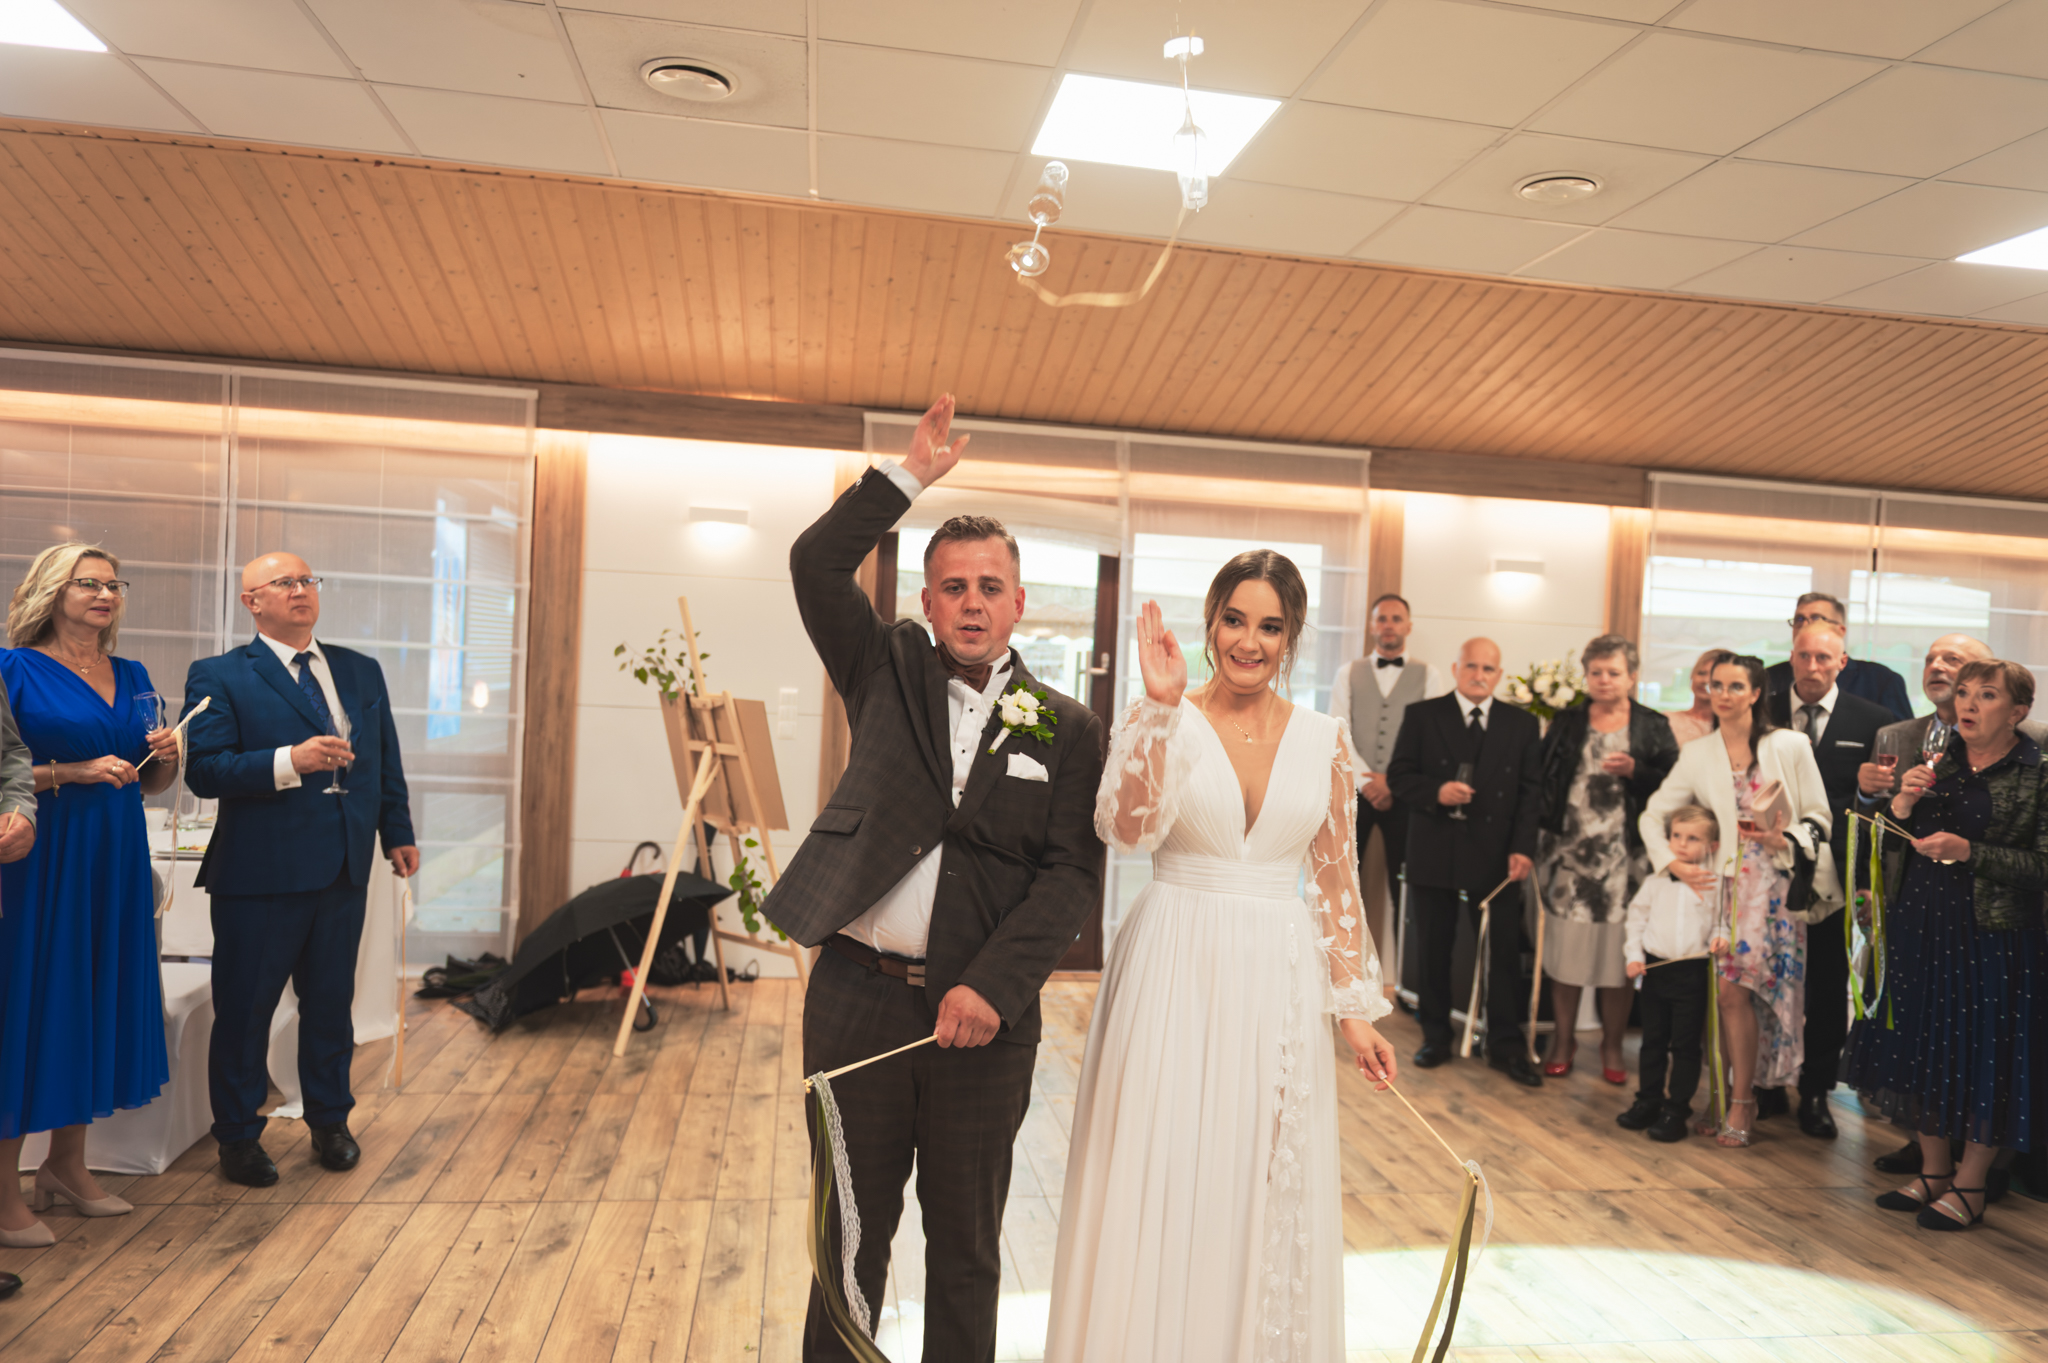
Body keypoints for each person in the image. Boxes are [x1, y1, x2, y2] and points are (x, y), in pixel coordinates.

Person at [772, 395, 1106, 1363]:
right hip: (856, 1002)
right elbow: (814, 563)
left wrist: (991, 987)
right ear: (926, 603)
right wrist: (906, 478)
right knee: (846, 1242)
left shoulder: (1069, 726)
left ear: (1019, 602)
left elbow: (1070, 875)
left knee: (965, 1250)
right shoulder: (881, 667)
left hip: (984, 1025)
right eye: (953, 585)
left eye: (989, 585)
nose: (971, 601)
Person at [1048, 558, 1396, 1363]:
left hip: (1278, 975)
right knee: (1161, 1161)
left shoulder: (1324, 740)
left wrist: (1355, 1013)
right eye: (1235, 619)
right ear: (1211, 622)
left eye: (1270, 626)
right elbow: (1124, 831)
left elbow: (1336, 881)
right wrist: (1161, 711)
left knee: (1257, 1174)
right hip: (1172, 960)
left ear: (1291, 636)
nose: (1249, 641)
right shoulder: (1161, 713)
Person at [181, 553, 418, 1189]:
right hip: (260, 874)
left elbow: (383, 759)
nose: (300, 590)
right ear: (251, 601)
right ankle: (237, 1136)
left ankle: (330, 1121)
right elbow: (203, 771)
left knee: (331, 1007)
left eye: (308, 580)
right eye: (284, 583)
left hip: (343, 867)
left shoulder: (359, 669)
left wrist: (396, 831)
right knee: (245, 1012)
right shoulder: (220, 674)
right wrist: (291, 759)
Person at [0, 545, 178, 1247]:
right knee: (32, 1004)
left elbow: (147, 779)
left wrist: (167, 757)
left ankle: (66, 1166)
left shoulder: (132, 675)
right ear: (52, 591)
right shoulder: (12, 668)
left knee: (92, 996)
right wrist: (71, 771)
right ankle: (4, 1189)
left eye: (113, 584)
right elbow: (5, 769)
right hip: (41, 855)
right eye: (89, 583)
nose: (106, 594)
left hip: (115, 854)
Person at [1845, 659, 2048, 1231]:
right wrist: (1900, 807)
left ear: (2018, 711)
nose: (1969, 704)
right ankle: (1933, 1171)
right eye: (1964, 693)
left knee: (1986, 1057)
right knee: (1922, 1046)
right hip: (1921, 923)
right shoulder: (1937, 760)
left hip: (1995, 935)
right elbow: (1890, 841)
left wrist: (1970, 853)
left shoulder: (2037, 771)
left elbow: (2042, 865)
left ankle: (1971, 1183)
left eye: (1987, 694)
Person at [1642, 652, 1830, 1147]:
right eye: (1715, 685)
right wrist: (1672, 863)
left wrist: (1785, 838)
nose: (1722, 694)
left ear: (1756, 693)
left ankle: (1743, 1099)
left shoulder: (1788, 744)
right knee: (1727, 996)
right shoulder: (1698, 753)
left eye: (1734, 686)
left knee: (1756, 998)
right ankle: (1731, 1097)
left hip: (1776, 890)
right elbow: (1652, 814)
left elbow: (1819, 817)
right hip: (1723, 890)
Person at [1387, 637, 1545, 1085]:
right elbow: (1398, 775)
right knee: (1433, 949)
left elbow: (1531, 792)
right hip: (1434, 850)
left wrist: (1523, 848)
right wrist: (1436, 791)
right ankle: (1435, 1036)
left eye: (1488, 669)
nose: (1479, 675)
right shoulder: (1423, 715)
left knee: (1502, 953)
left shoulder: (1521, 723)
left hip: (1497, 856)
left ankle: (1506, 1045)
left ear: (1499, 675)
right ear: (1456, 669)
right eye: (1471, 666)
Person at [1764, 622, 1892, 1140]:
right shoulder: (1764, 710)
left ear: (1843, 662)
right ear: (1791, 658)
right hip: (1768, 869)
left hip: (1836, 875)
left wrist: (1864, 882)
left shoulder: (1873, 720)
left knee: (1825, 985)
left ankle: (1816, 1091)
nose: (1812, 666)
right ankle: (1767, 1082)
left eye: (1824, 657)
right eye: (1803, 656)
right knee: (1769, 980)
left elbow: (1877, 809)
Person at [1534, 635, 1678, 1082]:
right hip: (1569, 855)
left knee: (1619, 958)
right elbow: (1543, 777)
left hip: (1626, 857)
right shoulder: (1567, 721)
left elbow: (1675, 783)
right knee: (1567, 954)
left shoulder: (1652, 724)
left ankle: (1612, 1045)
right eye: (1595, 672)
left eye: (1613, 672)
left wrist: (1637, 771)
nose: (1603, 680)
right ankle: (1563, 1040)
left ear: (1632, 676)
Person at [1328, 593, 1449, 914]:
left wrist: (1393, 782)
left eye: (1396, 619)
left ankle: (1404, 946)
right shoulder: (1347, 673)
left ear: (1408, 626)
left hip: (1406, 796)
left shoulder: (1430, 675)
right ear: (1371, 626)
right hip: (1354, 793)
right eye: (1382, 619)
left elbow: (1431, 739)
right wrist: (1366, 781)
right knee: (1342, 881)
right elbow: (1337, 730)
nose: (1389, 625)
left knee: (1407, 886)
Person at [1618, 804, 1720, 1143]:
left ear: (1712, 846)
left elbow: (1722, 922)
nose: (1681, 844)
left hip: (1692, 973)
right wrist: (1634, 956)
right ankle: (1648, 1100)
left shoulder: (1714, 885)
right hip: (1654, 971)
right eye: (1676, 835)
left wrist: (1722, 937)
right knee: (1652, 1041)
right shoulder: (1654, 882)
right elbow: (1636, 921)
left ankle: (1677, 1109)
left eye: (1692, 838)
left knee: (1686, 1045)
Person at [1763, 592, 1912, 721]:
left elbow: (1901, 737)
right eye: (1799, 619)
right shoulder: (1770, 678)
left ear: (1840, 630)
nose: (1804, 626)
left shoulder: (1881, 680)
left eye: (1816, 619)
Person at [1668, 649, 1719, 747]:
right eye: (1701, 673)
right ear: (1692, 676)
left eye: (1714, 676)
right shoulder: (1669, 720)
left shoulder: (1731, 728)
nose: (1705, 680)